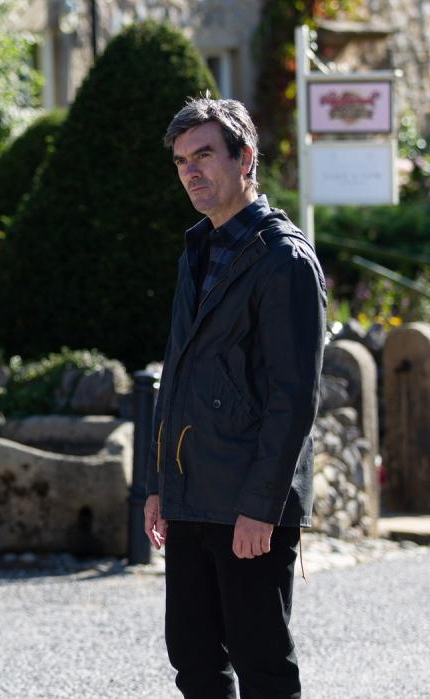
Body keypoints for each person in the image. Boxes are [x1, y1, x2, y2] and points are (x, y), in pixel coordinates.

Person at [144, 97, 326, 699]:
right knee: (193, 662)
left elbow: (293, 397)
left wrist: (262, 506)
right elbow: (179, 378)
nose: (191, 172)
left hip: (247, 506)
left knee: (263, 665)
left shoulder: (285, 260)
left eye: (204, 155)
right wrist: (158, 485)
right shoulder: (196, 250)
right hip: (191, 496)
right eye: (180, 161)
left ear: (245, 158)